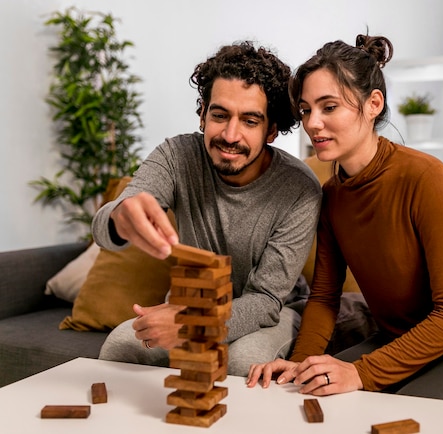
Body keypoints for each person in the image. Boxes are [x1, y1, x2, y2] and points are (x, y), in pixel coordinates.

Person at [246, 34, 443, 411]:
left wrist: (360, 373)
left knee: (388, 418)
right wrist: (298, 364)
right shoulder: (332, 198)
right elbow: (325, 298)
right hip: (395, 342)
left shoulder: (426, 177)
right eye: (307, 110)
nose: (314, 123)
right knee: (296, 393)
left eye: (329, 107)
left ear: (372, 103)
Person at [92, 41, 322, 377]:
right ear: (203, 114)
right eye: (219, 115)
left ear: (271, 130)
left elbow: (265, 300)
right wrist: (118, 218)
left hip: (272, 311)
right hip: (192, 302)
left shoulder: (300, 189)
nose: (230, 134)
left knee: (242, 363)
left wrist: (193, 325)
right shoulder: (176, 156)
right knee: (121, 347)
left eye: (250, 121)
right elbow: (106, 226)